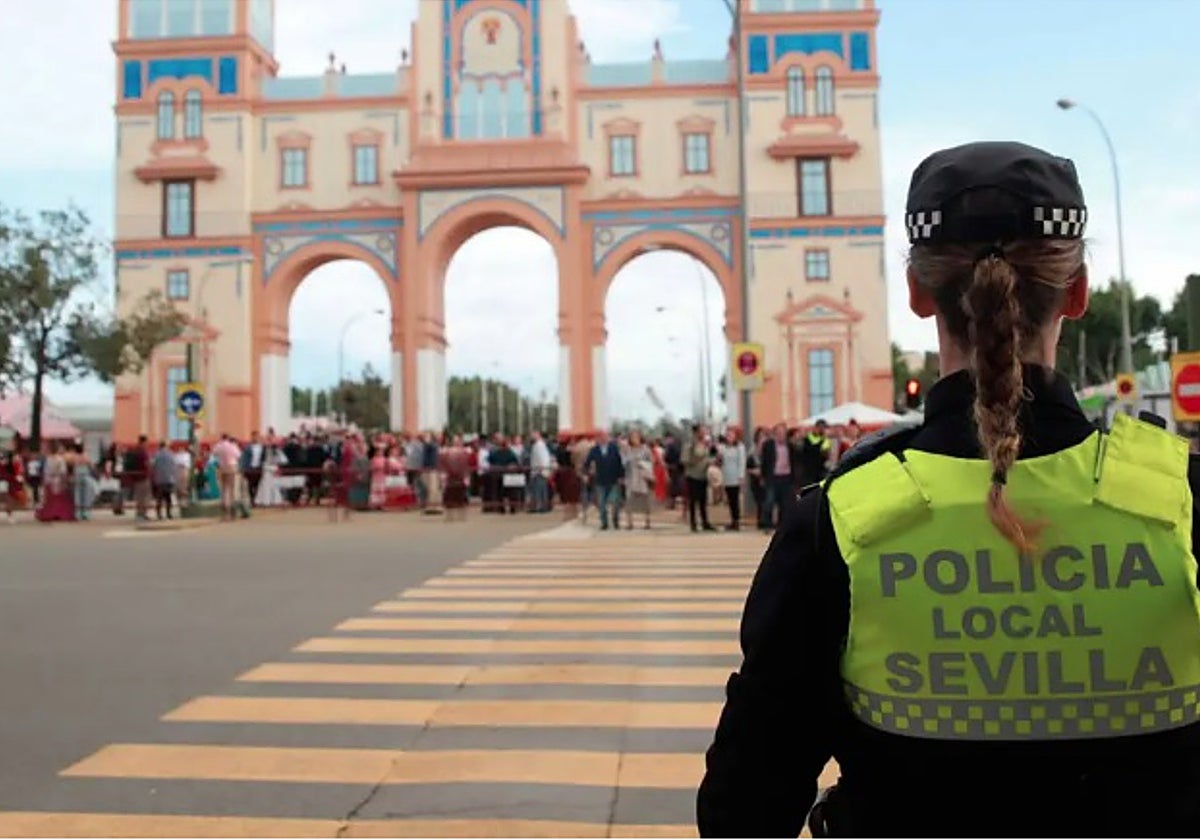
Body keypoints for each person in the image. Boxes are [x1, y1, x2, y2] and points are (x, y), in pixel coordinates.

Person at [698, 141, 1200, 836]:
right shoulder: (1181, 503)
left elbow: (743, 806)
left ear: (918, 293)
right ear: (1078, 293)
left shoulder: (844, 521)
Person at [757, 423, 794, 531]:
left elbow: (793, 461)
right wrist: (763, 477)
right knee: (769, 501)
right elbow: (764, 462)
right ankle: (767, 524)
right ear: (775, 434)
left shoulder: (790, 446)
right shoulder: (768, 445)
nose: (781, 436)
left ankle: (781, 525)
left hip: (786, 477)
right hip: (772, 477)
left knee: (784, 502)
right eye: (779, 433)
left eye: (783, 433)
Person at [584, 431, 624, 531]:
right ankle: (604, 522)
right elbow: (587, 463)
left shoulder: (614, 448)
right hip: (600, 480)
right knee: (601, 503)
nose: (603, 439)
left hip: (613, 479)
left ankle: (615, 520)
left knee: (615, 502)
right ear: (598, 439)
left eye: (605, 437)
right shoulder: (594, 450)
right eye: (600, 437)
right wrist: (586, 474)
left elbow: (619, 463)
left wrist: (621, 476)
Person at [683, 425, 715, 533]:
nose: (704, 433)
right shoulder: (690, 444)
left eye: (705, 431)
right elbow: (685, 460)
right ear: (696, 433)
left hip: (703, 475)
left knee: (703, 500)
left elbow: (708, 456)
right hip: (693, 475)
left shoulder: (706, 444)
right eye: (702, 431)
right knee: (693, 501)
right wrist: (697, 458)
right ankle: (693, 523)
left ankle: (705, 522)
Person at [623, 429, 654, 530]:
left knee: (645, 500)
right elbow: (624, 462)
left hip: (643, 477)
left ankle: (647, 521)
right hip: (631, 477)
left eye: (636, 437)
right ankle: (629, 522)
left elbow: (651, 462)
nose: (634, 439)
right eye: (632, 437)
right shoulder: (628, 449)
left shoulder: (646, 449)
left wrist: (642, 463)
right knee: (629, 500)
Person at [720, 428, 747, 531]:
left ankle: (736, 521)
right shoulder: (723, 447)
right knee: (730, 500)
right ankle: (732, 520)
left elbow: (742, 462)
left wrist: (741, 476)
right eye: (727, 435)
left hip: (736, 476)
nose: (729, 437)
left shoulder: (739, 447)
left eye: (731, 435)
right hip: (727, 476)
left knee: (735, 499)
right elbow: (721, 461)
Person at [798, 419, 833, 487]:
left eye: (824, 428)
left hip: (820, 471)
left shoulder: (826, 440)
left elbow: (827, 454)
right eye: (821, 427)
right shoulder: (807, 438)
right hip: (808, 472)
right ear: (816, 427)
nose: (822, 429)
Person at [151, 441, 177, 520]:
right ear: (165, 446)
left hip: (159, 479)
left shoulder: (156, 455)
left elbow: (153, 465)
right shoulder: (171, 454)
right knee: (168, 498)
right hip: (169, 479)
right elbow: (173, 466)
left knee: (159, 498)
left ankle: (159, 515)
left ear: (159, 446)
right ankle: (169, 514)